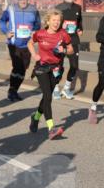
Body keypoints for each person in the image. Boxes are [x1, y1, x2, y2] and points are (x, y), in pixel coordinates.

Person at [27, 9, 72, 139]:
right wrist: (34, 54)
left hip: (56, 69)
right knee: (48, 95)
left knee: (47, 97)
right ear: (48, 21)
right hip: (42, 68)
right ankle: (51, 128)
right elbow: (30, 42)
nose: (56, 23)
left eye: (58, 21)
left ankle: (35, 118)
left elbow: (71, 49)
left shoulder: (63, 34)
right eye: (54, 20)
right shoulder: (40, 34)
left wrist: (64, 50)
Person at [0, 0, 41, 101]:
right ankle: (12, 91)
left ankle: (14, 90)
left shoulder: (33, 9)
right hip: (14, 44)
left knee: (23, 69)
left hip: (27, 45)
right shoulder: (11, 9)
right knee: (17, 66)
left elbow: (37, 24)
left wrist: (35, 31)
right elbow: (2, 21)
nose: (23, 1)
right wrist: (6, 32)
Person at [53, 0, 83, 99]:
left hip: (74, 40)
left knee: (74, 66)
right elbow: (53, 24)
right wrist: (61, 26)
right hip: (60, 40)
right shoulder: (58, 8)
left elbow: (79, 22)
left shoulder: (78, 8)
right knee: (58, 66)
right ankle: (55, 88)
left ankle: (66, 88)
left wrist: (80, 29)